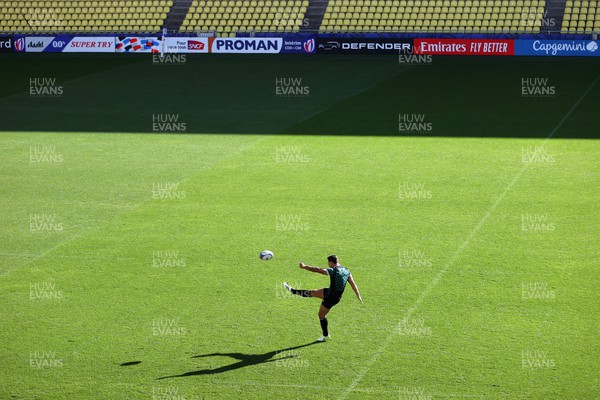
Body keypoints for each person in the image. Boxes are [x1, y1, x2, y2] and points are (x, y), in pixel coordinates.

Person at [284, 254, 363, 342]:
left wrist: (305, 267)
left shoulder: (334, 270)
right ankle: (292, 291)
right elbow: (353, 283)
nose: (328, 264)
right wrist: (358, 295)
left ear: (331, 262)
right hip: (331, 293)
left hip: (331, 298)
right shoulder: (346, 270)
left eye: (328, 263)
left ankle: (325, 335)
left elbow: (319, 270)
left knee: (321, 315)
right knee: (312, 292)